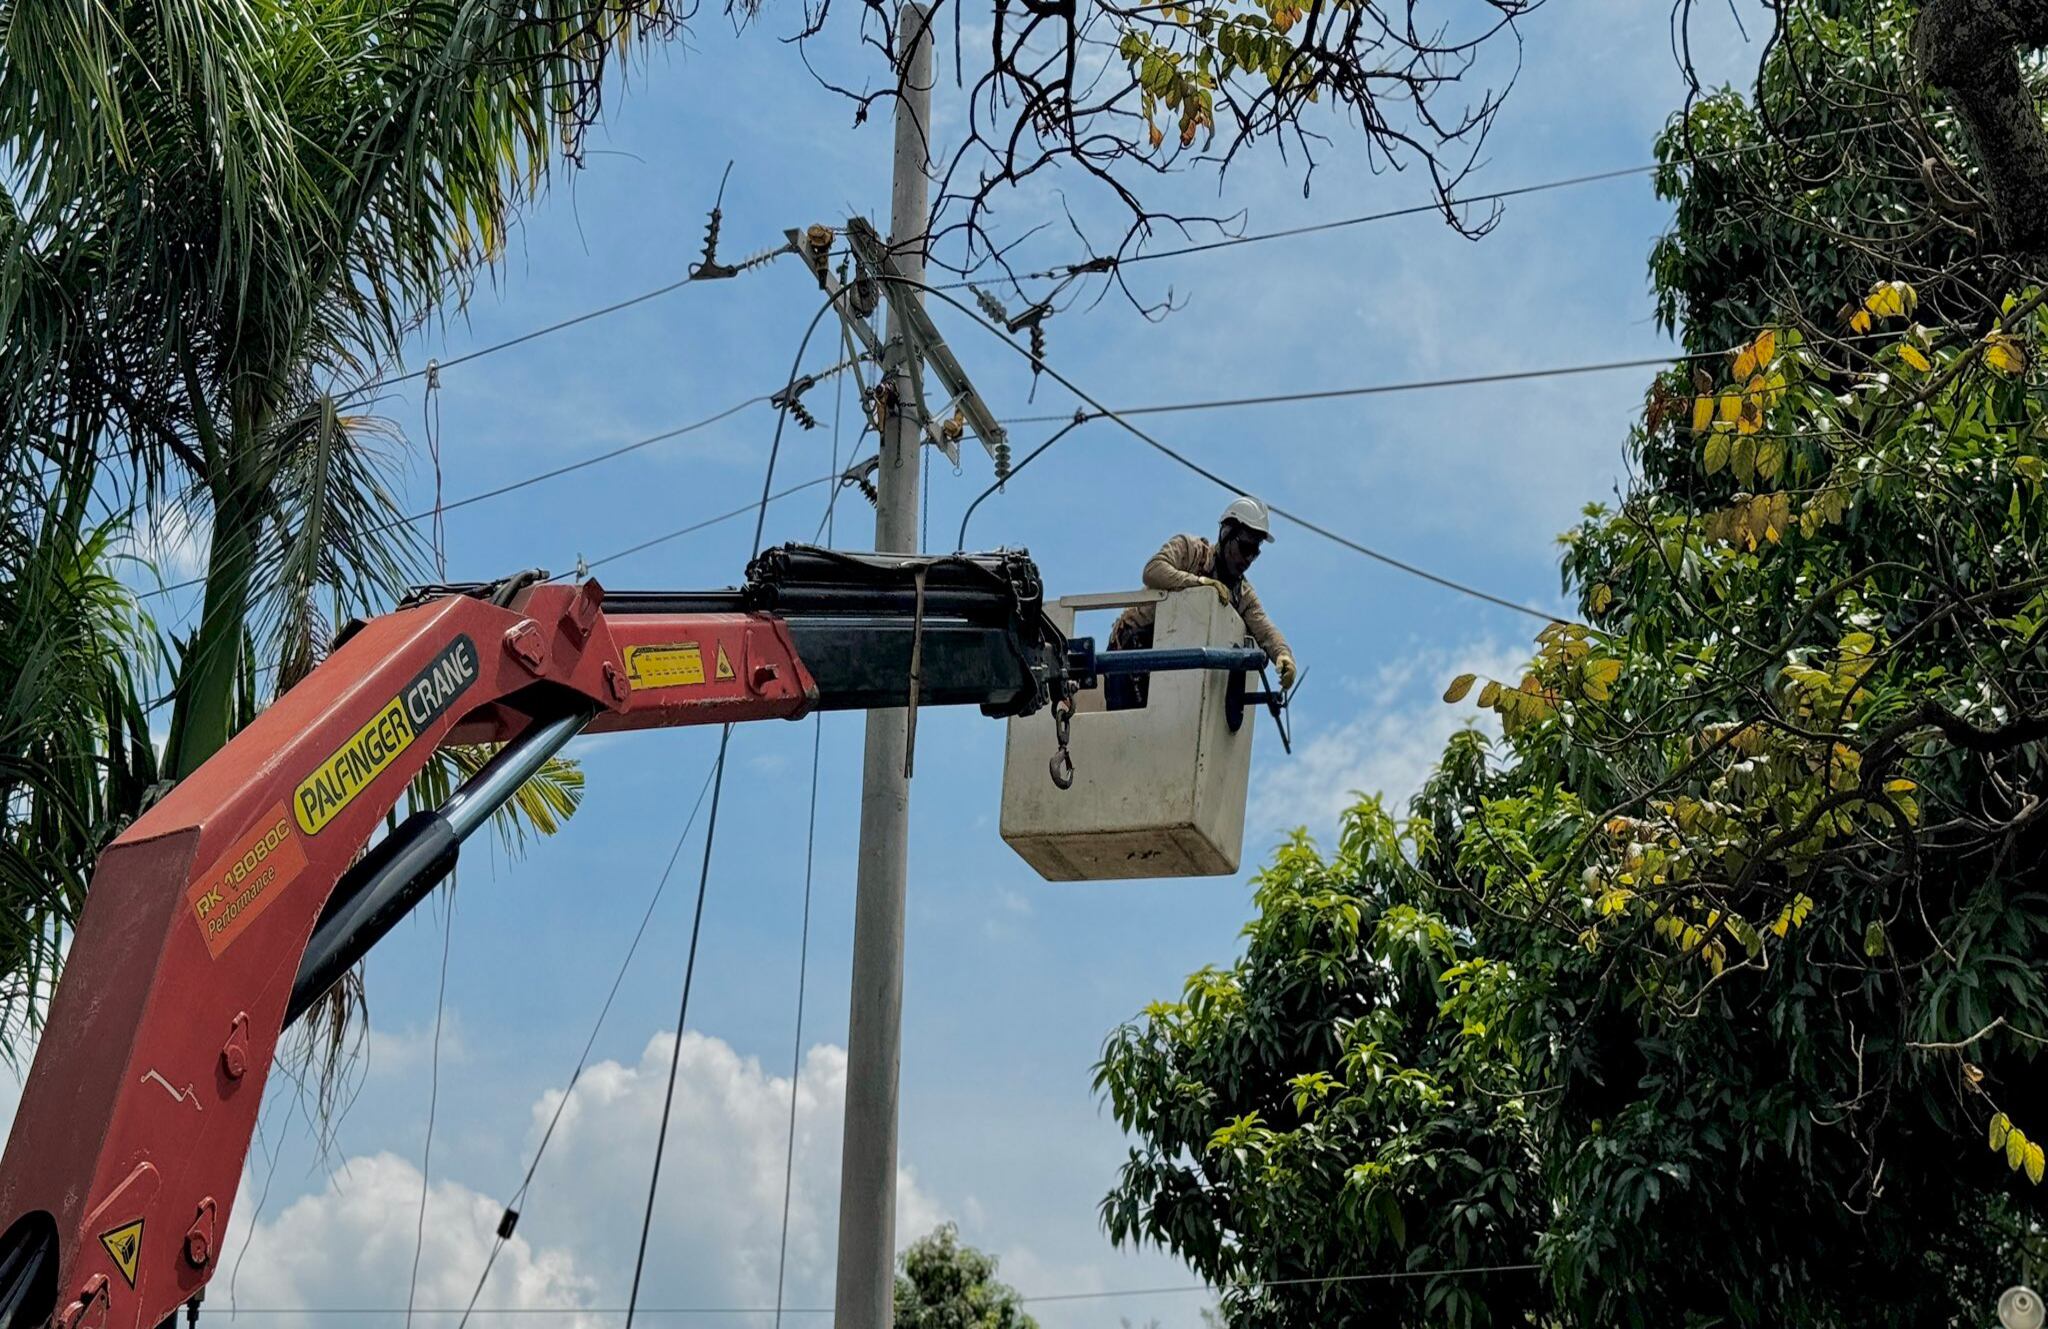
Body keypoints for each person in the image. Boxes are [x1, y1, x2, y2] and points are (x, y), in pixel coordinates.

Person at [1104, 496, 1296, 711]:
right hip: (1132, 647)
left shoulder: (1241, 594)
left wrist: (1283, 655)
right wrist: (1199, 583)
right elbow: (1153, 571)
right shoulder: (1190, 552)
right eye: (1245, 548)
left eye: (1255, 552)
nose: (1249, 559)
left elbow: (1265, 630)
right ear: (1226, 534)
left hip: (1172, 666)